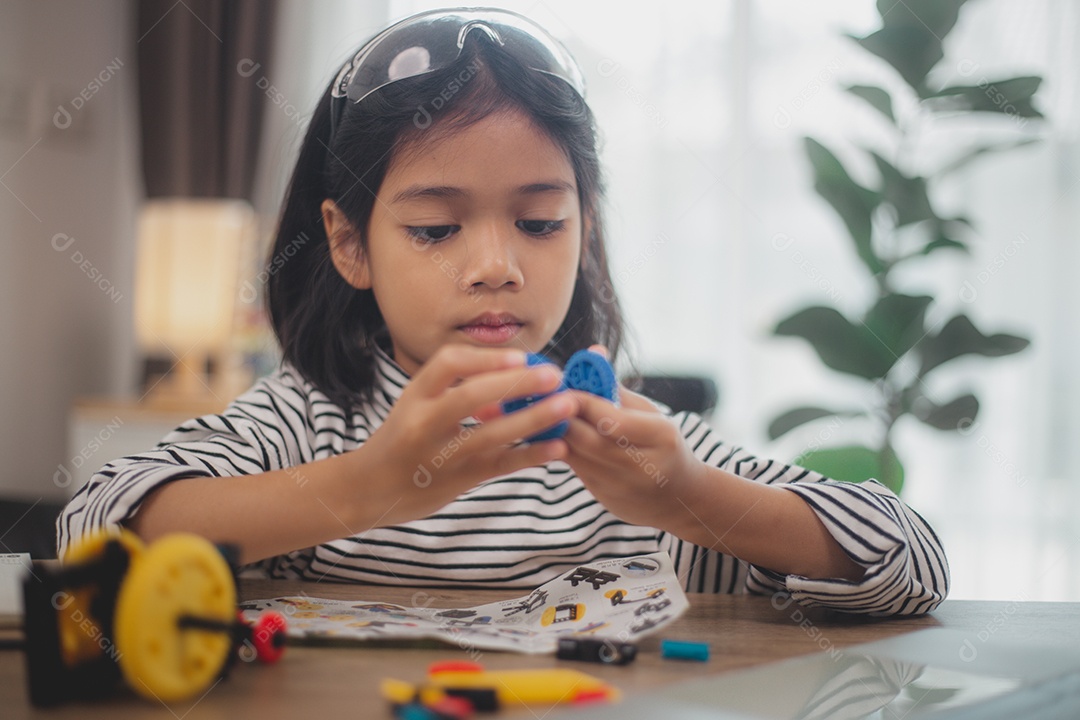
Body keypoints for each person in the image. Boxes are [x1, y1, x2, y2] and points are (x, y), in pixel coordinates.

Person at [58, 8, 948, 615]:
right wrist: (364, 487)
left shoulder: (624, 443)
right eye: (436, 229)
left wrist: (691, 497)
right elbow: (90, 533)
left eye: (540, 222)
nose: (495, 267)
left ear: (584, 231)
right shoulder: (308, 421)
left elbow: (912, 561)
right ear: (349, 243)